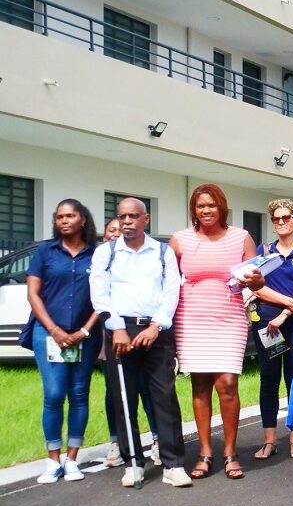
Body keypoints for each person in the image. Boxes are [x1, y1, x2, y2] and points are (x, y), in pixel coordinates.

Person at [89, 197, 188, 488]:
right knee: (123, 397)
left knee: (165, 397)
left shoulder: (162, 252)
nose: (127, 221)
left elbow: (172, 291)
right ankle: (133, 462)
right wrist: (117, 327)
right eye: (122, 216)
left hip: (156, 331)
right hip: (119, 331)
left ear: (146, 219)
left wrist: (156, 326)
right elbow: (99, 294)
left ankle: (173, 464)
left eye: (133, 216)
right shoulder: (105, 253)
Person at [170, 183, 264, 481]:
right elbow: (169, 283)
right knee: (199, 385)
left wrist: (257, 280)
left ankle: (231, 452)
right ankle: (205, 452)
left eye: (211, 205)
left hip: (230, 316)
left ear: (221, 207)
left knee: (227, 384)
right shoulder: (180, 240)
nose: (206, 210)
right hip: (191, 317)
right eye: (200, 206)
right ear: (193, 210)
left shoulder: (241, 238)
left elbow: (257, 283)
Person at [28, 200, 102, 484]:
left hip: (86, 336)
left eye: (70, 216)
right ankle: (52, 459)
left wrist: (84, 330)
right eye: (60, 217)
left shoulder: (96, 255)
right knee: (55, 393)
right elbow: (33, 294)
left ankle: (72, 459)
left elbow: (103, 296)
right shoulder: (45, 252)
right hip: (48, 334)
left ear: (82, 219)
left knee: (79, 394)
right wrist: (55, 330)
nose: (64, 221)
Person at [249, 199, 293, 460]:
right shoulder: (264, 250)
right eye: (276, 219)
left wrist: (287, 312)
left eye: (286, 218)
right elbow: (257, 286)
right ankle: (269, 441)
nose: (281, 222)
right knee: (268, 380)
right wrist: (286, 303)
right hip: (268, 324)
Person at [96, 218, 160, 469]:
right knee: (116, 392)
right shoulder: (103, 259)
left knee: (148, 388)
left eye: (119, 230)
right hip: (111, 332)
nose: (116, 233)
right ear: (105, 236)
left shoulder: (144, 259)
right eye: (111, 231)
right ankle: (118, 441)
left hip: (142, 329)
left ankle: (157, 438)